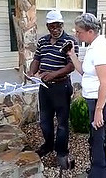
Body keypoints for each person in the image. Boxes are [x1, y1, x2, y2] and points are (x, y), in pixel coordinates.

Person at [27, 10, 79, 167]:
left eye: (58, 26)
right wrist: (31, 72)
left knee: (62, 123)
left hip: (61, 86)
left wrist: (54, 74)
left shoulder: (69, 41)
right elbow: (37, 59)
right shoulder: (42, 41)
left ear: (62, 25)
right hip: (44, 87)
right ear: (47, 26)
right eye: (52, 27)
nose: (55, 29)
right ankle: (48, 145)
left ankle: (62, 152)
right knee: (44, 121)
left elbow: (71, 66)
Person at [67, 13, 106, 178]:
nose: (76, 34)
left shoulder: (100, 49)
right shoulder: (92, 46)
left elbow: (105, 82)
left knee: (96, 138)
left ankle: (98, 173)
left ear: (90, 31)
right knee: (99, 135)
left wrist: (98, 110)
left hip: (100, 100)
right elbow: (84, 72)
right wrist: (72, 55)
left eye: (79, 31)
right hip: (94, 99)